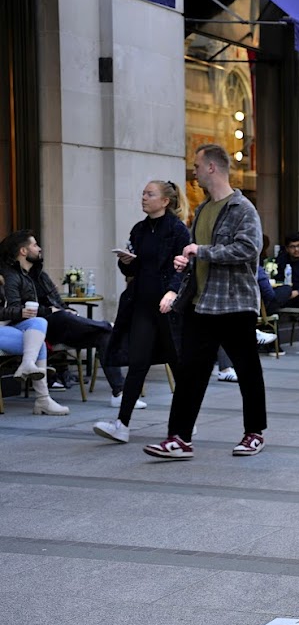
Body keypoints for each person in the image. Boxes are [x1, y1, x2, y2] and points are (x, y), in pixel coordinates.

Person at [143, 143, 267, 460]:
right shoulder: (202, 210)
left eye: (197, 166)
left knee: (247, 370)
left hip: (235, 303)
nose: (193, 171)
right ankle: (179, 438)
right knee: (190, 372)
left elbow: (248, 250)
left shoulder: (242, 209)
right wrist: (188, 263)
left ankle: (254, 433)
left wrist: (202, 252)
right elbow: (199, 253)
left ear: (211, 167)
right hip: (202, 302)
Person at [92, 181, 189, 443]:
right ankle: (122, 425)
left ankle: (182, 429)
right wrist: (126, 263)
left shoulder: (179, 231)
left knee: (179, 367)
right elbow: (132, 271)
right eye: (143, 194)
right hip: (142, 306)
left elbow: (184, 269)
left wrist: (172, 292)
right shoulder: (139, 229)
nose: (143, 198)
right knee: (137, 364)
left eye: (150, 194)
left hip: (169, 309)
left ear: (165, 201)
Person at [0, 231, 130, 406]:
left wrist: (67, 310)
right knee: (63, 317)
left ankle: (119, 394)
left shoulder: (40, 275)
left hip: (59, 325)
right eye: (35, 245)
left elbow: (59, 303)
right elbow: (15, 310)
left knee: (103, 335)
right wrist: (50, 311)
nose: (39, 249)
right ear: (23, 251)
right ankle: (108, 325)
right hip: (34, 329)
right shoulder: (11, 276)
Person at [0, 272, 67, 415]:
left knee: (39, 324)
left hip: (4, 326)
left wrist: (19, 312)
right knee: (37, 343)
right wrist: (18, 312)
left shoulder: (4, 278)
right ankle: (43, 400)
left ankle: (28, 364)